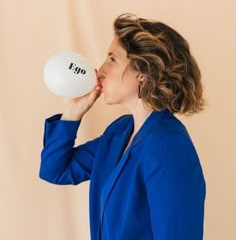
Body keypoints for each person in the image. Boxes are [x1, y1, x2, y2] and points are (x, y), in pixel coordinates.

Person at [39, 13, 206, 240]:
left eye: (112, 59)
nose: (100, 70)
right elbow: (55, 170)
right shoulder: (119, 132)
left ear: (144, 74)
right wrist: (73, 113)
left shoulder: (169, 146)